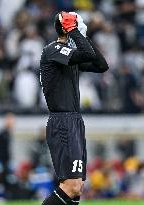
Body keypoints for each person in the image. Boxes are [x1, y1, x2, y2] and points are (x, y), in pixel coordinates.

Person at [40, 11, 109, 205]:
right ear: (67, 28)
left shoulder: (70, 57)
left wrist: (82, 36)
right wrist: (76, 32)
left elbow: (102, 65)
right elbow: (87, 53)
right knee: (71, 187)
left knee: (76, 188)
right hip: (62, 121)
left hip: (74, 121)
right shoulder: (52, 50)